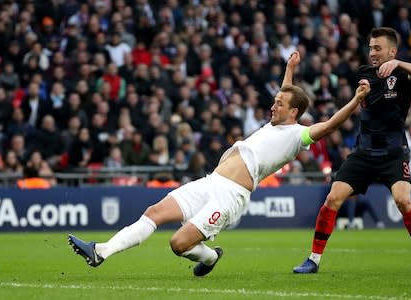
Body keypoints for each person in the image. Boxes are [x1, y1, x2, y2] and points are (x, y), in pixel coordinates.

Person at [67, 51, 371, 277]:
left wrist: (356, 100)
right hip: (210, 182)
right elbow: (288, 94)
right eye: (275, 100)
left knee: (178, 243)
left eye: (279, 103)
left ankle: (210, 257)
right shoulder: (276, 123)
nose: (272, 105)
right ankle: (101, 251)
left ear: (294, 112)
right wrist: (289, 69)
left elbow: (330, 125)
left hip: (231, 196)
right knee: (154, 212)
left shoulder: (297, 135)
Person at [293, 27, 411, 274]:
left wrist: (399, 63)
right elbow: (368, 97)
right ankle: (313, 260)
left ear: (392, 51)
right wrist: (361, 93)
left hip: (394, 151)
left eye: (378, 48)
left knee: (403, 200)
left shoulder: (403, 74)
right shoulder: (364, 73)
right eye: (370, 48)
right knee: (333, 198)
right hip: (364, 152)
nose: (373, 52)